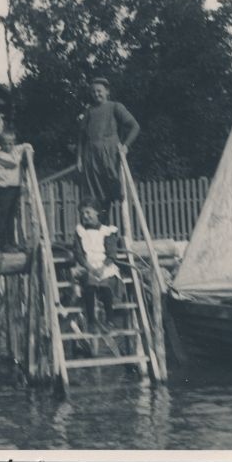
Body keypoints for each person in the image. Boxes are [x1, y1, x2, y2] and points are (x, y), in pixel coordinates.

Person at [77, 77, 140, 220]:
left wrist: (125, 146)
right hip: (91, 157)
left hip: (110, 155)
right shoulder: (89, 112)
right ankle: (100, 232)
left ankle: (116, 232)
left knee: (114, 191)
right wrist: (79, 158)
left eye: (99, 91)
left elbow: (135, 127)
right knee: (94, 195)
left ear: (107, 92)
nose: (96, 94)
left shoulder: (115, 106)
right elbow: (81, 138)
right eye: (93, 92)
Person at [72, 197, 126, 333]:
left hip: (104, 266)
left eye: (88, 212)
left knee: (105, 286)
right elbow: (78, 253)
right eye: (83, 213)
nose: (85, 216)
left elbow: (111, 253)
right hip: (87, 265)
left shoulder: (107, 231)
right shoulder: (80, 232)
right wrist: (89, 267)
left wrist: (103, 267)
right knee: (89, 286)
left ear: (97, 213)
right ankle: (91, 321)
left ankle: (109, 320)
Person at [0, 131, 31, 253]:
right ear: (1, 144)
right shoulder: (0, 156)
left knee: (12, 217)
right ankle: (4, 244)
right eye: (5, 144)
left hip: (14, 187)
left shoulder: (13, 151)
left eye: (11, 144)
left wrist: (25, 147)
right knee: (4, 217)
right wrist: (20, 150)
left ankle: (12, 242)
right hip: (4, 189)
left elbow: (25, 146)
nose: (8, 146)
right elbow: (15, 162)